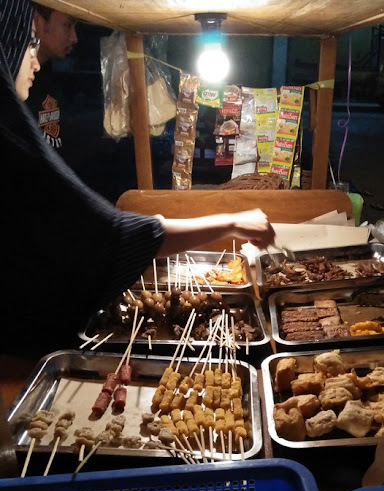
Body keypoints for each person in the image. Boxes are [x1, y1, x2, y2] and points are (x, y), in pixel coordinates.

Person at [0, 0, 275, 360]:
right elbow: (106, 237)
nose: (35, 60)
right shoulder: (11, 145)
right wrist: (232, 221)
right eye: (29, 45)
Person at [25, 3, 78, 153]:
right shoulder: (15, 86)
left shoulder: (48, 76)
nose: (74, 38)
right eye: (67, 25)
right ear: (37, 22)